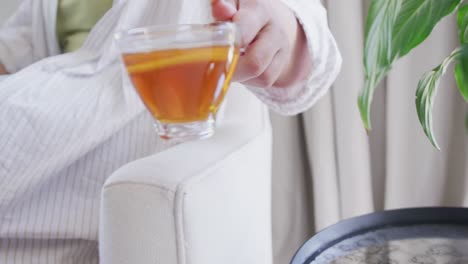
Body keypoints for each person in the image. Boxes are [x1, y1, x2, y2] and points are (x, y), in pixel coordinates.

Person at [0, 0, 341, 263]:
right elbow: (18, 45)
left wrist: (284, 32)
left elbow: (306, 34)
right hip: (41, 162)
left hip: (134, 153)